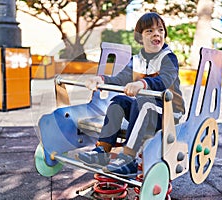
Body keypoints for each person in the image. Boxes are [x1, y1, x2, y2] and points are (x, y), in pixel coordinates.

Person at [76, 12, 185, 177]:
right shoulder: (137, 60)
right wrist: (101, 79)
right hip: (144, 108)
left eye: (160, 30)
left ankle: (128, 158)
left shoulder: (168, 58)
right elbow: (120, 79)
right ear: (140, 38)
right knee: (119, 101)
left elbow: (165, 79)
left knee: (145, 101)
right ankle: (102, 150)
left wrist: (142, 83)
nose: (157, 34)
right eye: (149, 31)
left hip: (168, 112)